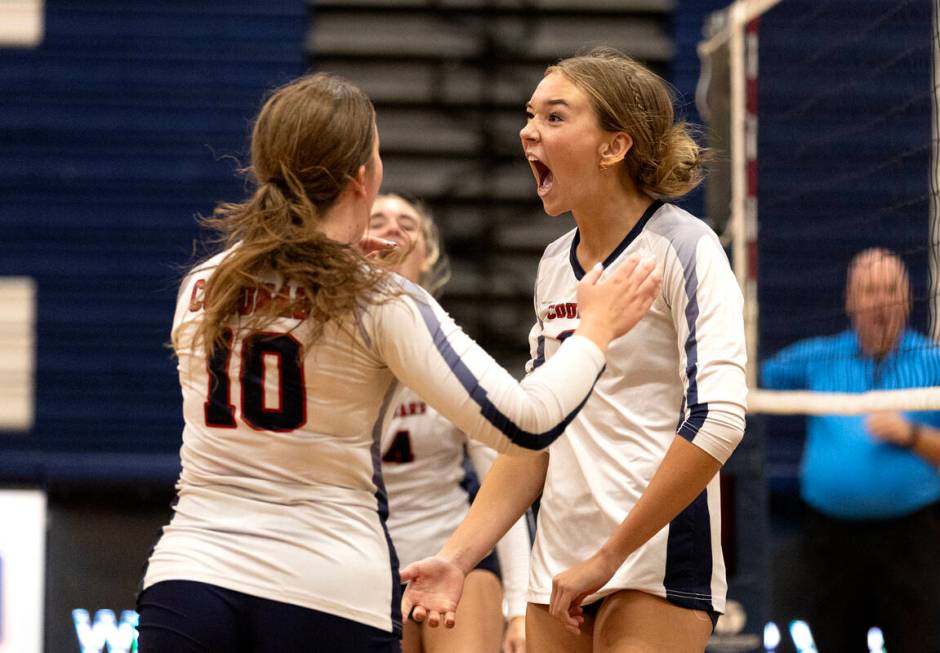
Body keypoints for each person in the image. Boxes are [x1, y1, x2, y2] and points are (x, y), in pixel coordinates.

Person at [135, 72, 663, 653]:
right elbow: (526, 423)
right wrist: (595, 331)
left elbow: (285, 301)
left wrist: (326, 255)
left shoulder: (204, 283)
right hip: (324, 585)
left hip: (190, 576)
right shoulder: (378, 298)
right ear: (362, 177)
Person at [401, 47, 748, 653]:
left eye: (555, 117)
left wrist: (611, 555)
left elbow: (719, 421)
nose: (528, 131)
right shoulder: (554, 264)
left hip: (650, 563)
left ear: (614, 147)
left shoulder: (686, 248)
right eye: (530, 114)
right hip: (558, 563)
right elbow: (535, 435)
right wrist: (458, 558)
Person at [760, 248, 940, 653]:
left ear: (908, 298)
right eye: (870, 290)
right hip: (831, 542)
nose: (881, 301)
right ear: (850, 300)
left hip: (909, 541)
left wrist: (912, 435)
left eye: (890, 289)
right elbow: (748, 382)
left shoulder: (936, 363)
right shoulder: (817, 358)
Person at [369, 193, 530, 653]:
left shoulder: (450, 352)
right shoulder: (332, 348)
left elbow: (507, 477)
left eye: (408, 223)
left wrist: (519, 607)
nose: (393, 228)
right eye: (377, 219)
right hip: (365, 562)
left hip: (453, 553)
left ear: (427, 256)